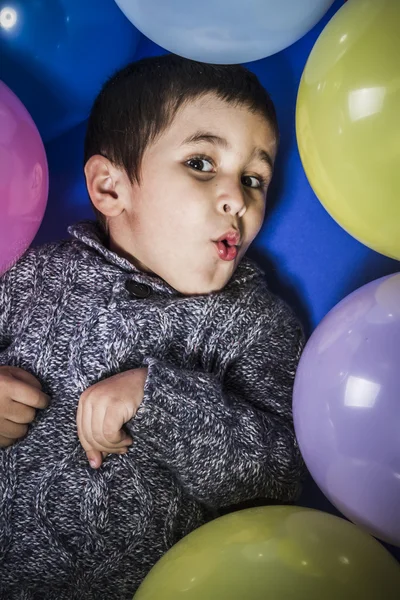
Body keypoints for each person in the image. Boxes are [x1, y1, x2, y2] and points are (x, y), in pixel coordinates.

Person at [0, 54, 305, 599]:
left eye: (255, 178)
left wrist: (158, 400)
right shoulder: (36, 275)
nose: (238, 199)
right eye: (202, 164)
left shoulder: (255, 324)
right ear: (110, 189)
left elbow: (278, 477)